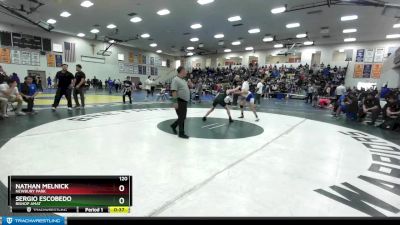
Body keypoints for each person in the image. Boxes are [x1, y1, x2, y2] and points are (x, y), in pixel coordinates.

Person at [170, 66, 191, 139]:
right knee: (182, 117)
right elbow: (174, 91)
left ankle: (174, 125)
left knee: (182, 117)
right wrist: (175, 102)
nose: (186, 72)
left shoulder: (183, 80)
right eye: (185, 71)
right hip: (179, 101)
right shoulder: (175, 80)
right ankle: (181, 133)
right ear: (182, 71)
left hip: (184, 101)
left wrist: (189, 83)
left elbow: (191, 86)